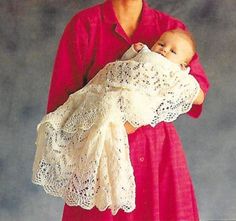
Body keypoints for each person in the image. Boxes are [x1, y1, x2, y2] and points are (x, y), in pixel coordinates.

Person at [41, 0, 210, 220]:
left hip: (159, 158)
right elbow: (61, 106)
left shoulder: (170, 29)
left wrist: (137, 116)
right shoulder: (85, 25)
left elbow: (197, 91)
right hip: (101, 160)